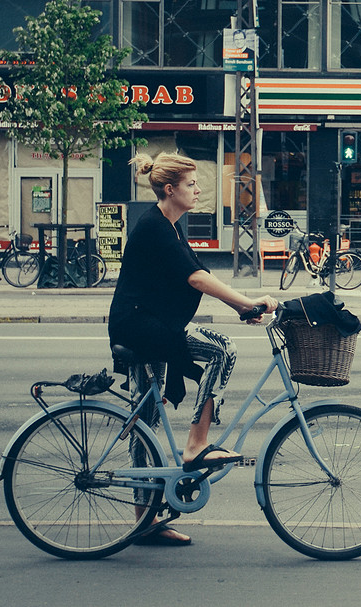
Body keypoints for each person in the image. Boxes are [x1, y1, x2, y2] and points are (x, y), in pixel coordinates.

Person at [108, 152, 278, 545]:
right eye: (191, 184)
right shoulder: (155, 227)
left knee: (145, 419)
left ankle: (145, 521)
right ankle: (196, 445)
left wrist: (242, 304)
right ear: (170, 190)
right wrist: (244, 304)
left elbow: (198, 273)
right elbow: (198, 278)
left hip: (152, 324)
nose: (199, 190)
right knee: (221, 350)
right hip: (140, 327)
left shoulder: (169, 225)